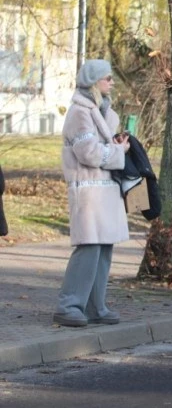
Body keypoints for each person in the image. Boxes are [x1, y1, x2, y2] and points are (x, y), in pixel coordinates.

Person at [53, 59, 130, 328]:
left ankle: (95, 306)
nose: (111, 81)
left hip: (105, 192)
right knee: (88, 248)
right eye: (107, 78)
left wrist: (116, 145)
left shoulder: (103, 112)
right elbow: (88, 153)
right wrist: (119, 152)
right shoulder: (79, 112)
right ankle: (69, 305)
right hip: (87, 191)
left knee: (103, 248)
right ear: (93, 81)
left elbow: (100, 150)